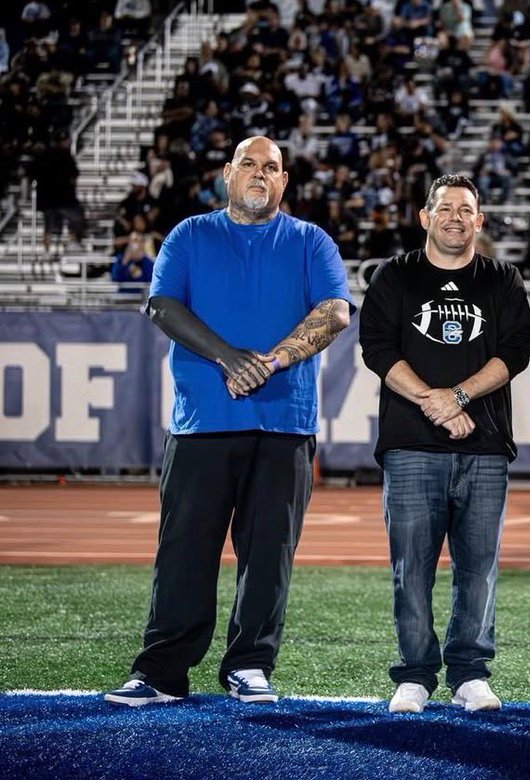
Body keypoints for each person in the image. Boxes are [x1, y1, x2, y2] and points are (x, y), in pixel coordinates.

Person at [104, 136, 354, 707]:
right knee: (185, 551)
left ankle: (250, 664)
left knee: (268, 554)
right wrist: (228, 356)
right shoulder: (190, 234)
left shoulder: (310, 241)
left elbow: (335, 311)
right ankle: (163, 670)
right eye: (249, 163)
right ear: (228, 173)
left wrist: (273, 359)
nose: (260, 173)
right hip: (201, 423)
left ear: (284, 182)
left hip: (284, 423)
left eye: (272, 167)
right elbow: (162, 305)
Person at [358, 174, 530, 714]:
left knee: (478, 566)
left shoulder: (502, 279)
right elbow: (377, 348)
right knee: (411, 567)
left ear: (479, 221)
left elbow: (515, 352)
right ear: (425, 217)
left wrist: (455, 397)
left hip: (483, 448)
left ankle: (469, 673)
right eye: (446, 208)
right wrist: (434, 403)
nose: (456, 217)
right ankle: (414, 673)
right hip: (412, 445)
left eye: (466, 210)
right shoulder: (395, 274)